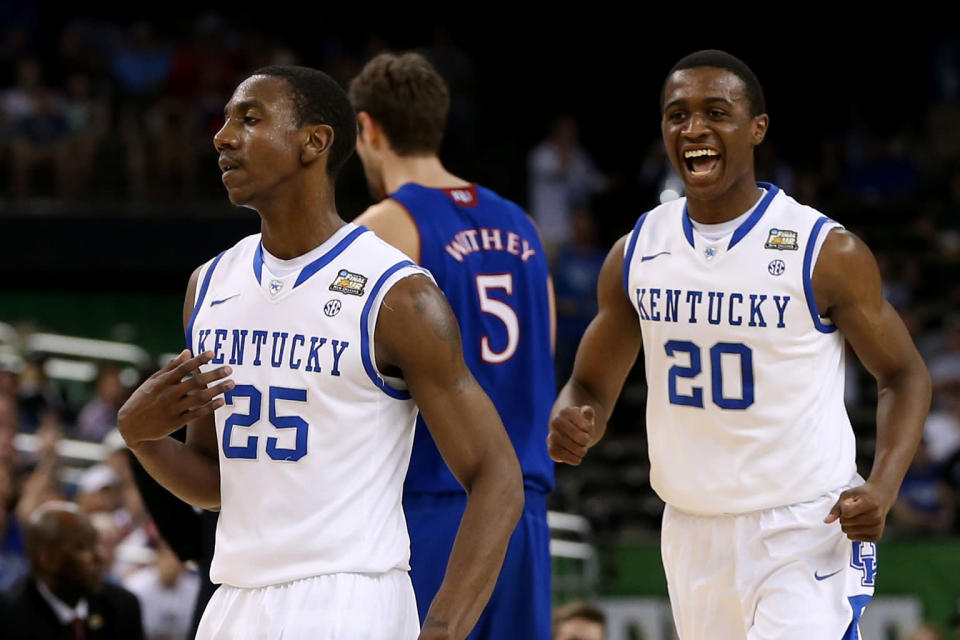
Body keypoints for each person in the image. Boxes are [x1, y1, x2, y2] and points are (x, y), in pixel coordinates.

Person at [117, 65, 523, 640]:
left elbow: (497, 475)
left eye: (250, 119)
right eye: (227, 120)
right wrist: (142, 440)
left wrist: (444, 627)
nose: (222, 136)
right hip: (233, 597)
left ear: (315, 141)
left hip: (348, 596)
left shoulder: (397, 293)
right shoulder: (208, 286)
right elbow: (215, 484)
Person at [547, 49, 932, 639]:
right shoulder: (636, 251)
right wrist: (577, 418)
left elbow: (904, 376)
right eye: (677, 115)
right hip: (690, 526)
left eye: (715, 112)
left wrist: (882, 486)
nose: (694, 128)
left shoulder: (823, 251)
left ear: (757, 128)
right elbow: (590, 385)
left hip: (804, 527)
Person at [349, 52, 555, 639]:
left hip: (434, 499)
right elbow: (540, 355)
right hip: (523, 508)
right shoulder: (522, 224)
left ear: (368, 128)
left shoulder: (382, 228)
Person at [2, 501, 145, 640]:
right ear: (46, 559)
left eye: (95, 544)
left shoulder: (122, 607)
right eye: (81, 547)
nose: (99, 556)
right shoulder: (9, 618)